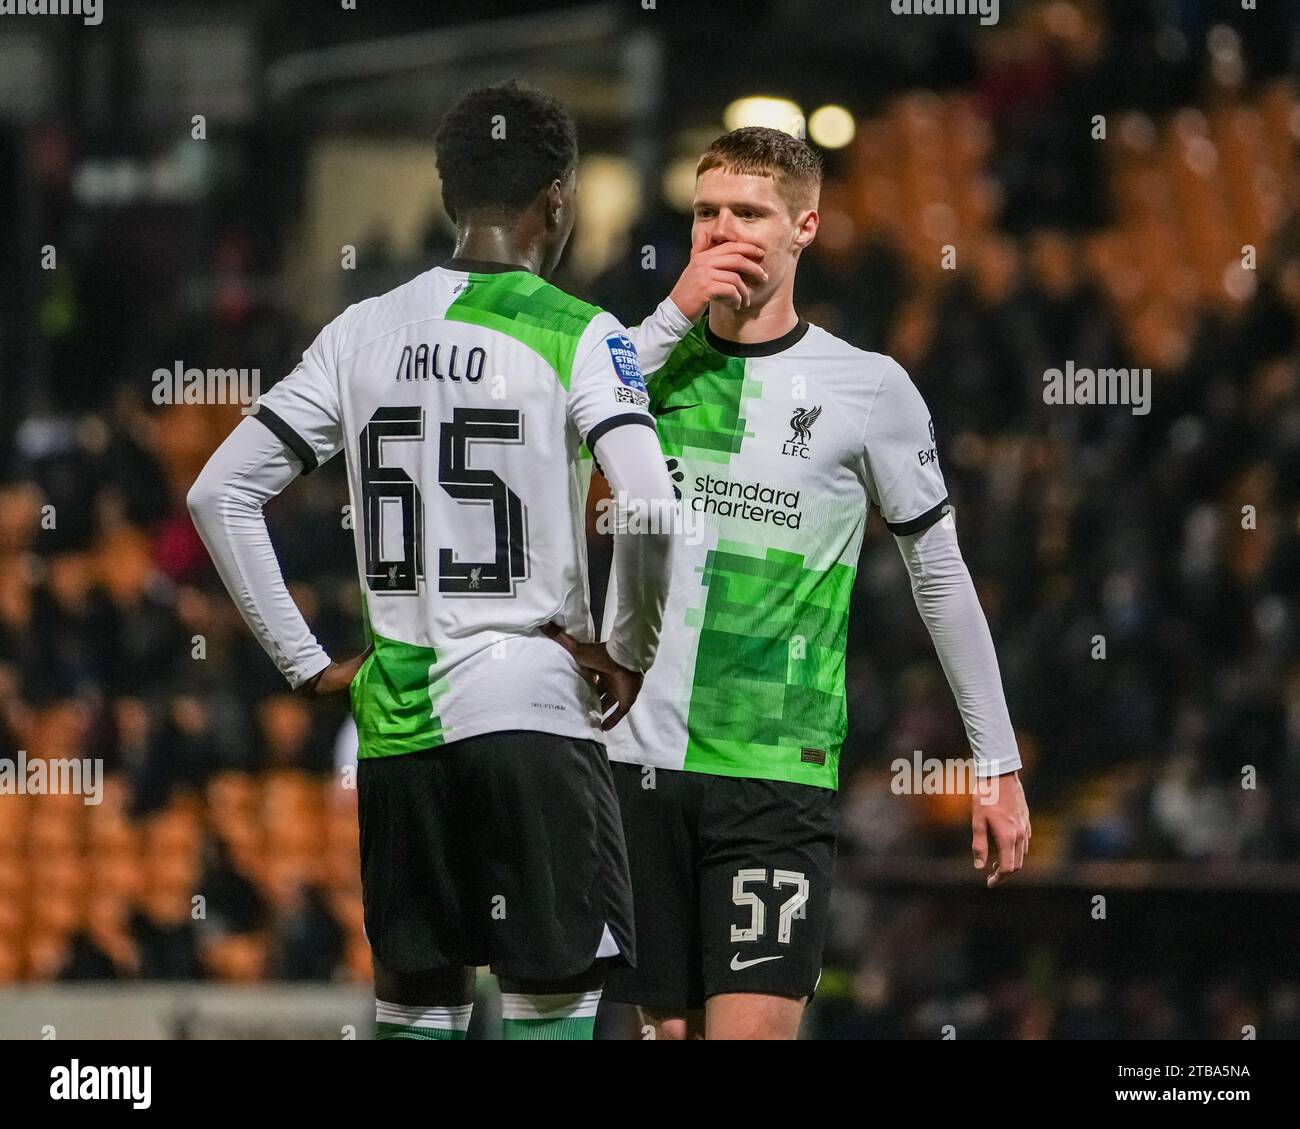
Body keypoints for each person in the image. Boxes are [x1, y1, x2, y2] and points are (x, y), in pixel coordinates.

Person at [187, 80, 677, 1040]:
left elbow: (218, 492)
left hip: (400, 730)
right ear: (560, 198)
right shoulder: (581, 332)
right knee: (552, 1001)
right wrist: (628, 645)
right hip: (533, 709)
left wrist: (304, 661)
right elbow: (651, 502)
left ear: (450, 194)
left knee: (418, 1008)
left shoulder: (357, 331)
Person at [593, 126, 1032, 1040]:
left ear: (806, 227)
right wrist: (672, 315)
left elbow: (941, 577)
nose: (722, 232)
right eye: (706, 212)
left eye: (749, 213)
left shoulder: (868, 389)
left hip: (772, 772)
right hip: (635, 765)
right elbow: (550, 440)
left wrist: (995, 759)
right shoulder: (636, 365)